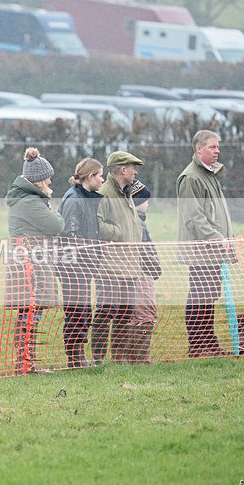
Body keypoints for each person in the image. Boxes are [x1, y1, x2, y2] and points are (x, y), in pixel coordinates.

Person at [5, 147, 64, 375]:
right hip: (31, 266)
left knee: (30, 313)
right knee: (30, 313)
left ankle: (27, 362)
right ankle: (26, 364)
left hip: (31, 263)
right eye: (47, 177)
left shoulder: (29, 199)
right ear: (38, 180)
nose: (50, 180)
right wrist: (55, 212)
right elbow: (56, 225)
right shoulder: (30, 202)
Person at [176, 130, 235, 358]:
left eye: (217, 146)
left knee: (209, 296)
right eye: (212, 147)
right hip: (201, 250)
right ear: (198, 149)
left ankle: (209, 344)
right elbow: (194, 217)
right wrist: (216, 239)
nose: (217, 150)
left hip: (214, 251)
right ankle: (198, 346)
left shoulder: (209, 175)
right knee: (199, 296)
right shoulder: (191, 178)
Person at [93, 151, 144, 364]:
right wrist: (118, 233)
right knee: (106, 313)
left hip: (130, 266)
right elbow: (97, 224)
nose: (136, 171)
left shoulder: (127, 192)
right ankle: (97, 358)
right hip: (110, 268)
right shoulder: (104, 193)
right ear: (123, 170)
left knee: (126, 313)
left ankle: (119, 358)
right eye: (133, 167)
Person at [57, 157, 104, 368]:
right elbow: (69, 234)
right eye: (100, 176)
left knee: (83, 311)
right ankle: (74, 357)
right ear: (91, 176)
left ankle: (78, 355)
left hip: (84, 266)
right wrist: (85, 256)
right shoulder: (74, 199)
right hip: (72, 267)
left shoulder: (89, 197)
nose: (103, 180)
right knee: (77, 312)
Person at [129, 179, 161, 363]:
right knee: (145, 314)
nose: (148, 203)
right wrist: (154, 267)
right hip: (142, 273)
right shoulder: (138, 224)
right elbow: (145, 252)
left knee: (143, 314)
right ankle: (140, 357)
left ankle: (138, 356)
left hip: (144, 272)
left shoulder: (140, 222)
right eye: (145, 200)